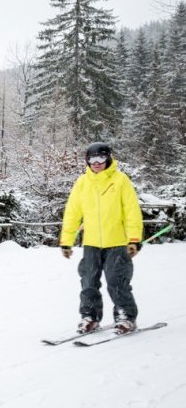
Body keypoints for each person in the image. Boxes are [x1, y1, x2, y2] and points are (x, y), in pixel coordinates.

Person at [60, 141, 143, 335]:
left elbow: (132, 211)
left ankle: (125, 316)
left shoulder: (120, 180)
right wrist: (67, 241)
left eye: (101, 158)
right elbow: (72, 213)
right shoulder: (82, 182)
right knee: (88, 281)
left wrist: (134, 238)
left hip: (117, 242)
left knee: (117, 280)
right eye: (92, 159)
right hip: (91, 243)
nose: (96, 163)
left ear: (108, 158)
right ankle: (90, 316)